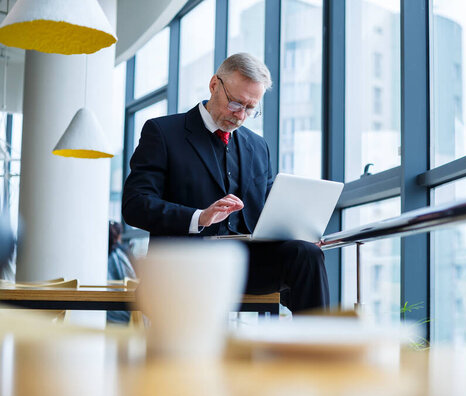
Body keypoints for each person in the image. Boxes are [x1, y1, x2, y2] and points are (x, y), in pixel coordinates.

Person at [122, 53, 329, 312]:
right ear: (214, 85)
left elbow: (266, 210)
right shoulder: (163, 132)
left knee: (306, 255)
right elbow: (135, 205)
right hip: (188, 265)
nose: (241, 116)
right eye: (236, 104)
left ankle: (318, 348)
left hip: (246, 264)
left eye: (251, 108)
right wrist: (200, 217)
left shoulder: (258, 146)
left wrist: (299, 232)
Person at [107, 220, 136, 323]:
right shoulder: (121, 255)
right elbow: (133, 279)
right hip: (123, 311)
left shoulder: (100, 256)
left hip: (107, 311)